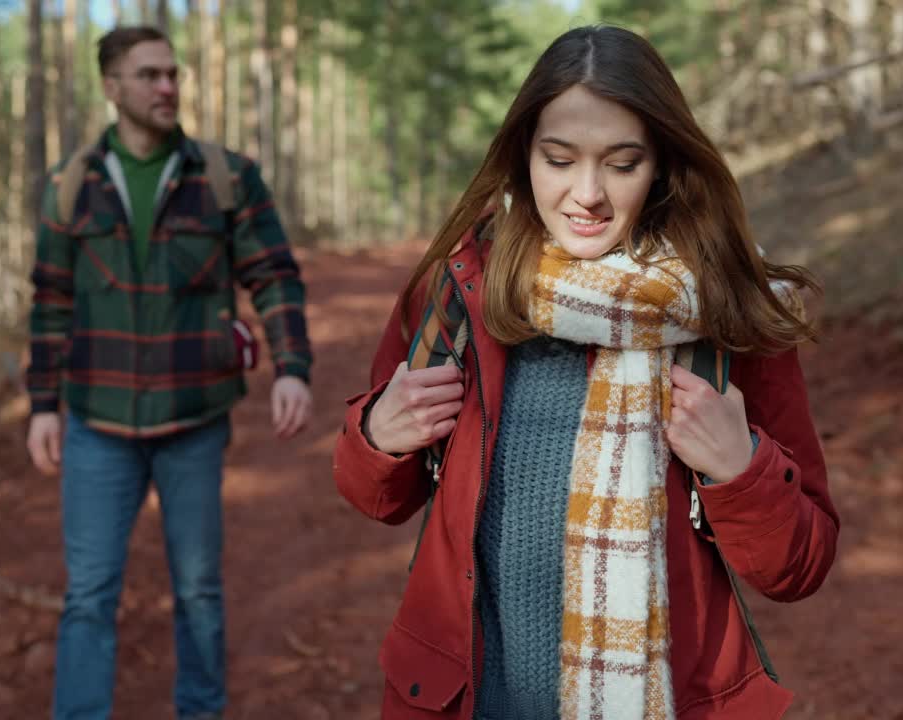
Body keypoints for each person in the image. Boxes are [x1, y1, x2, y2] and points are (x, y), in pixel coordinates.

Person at [332, 25, 838, 720]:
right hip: (471, 700)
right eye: (559, 158)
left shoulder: (726, 311)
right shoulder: (462, 284)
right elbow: (375, 498)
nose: (588, 193)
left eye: (622, 163)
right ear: (523, 157)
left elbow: (800, 566)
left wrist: (740, 468)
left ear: (661, 163)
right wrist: (378, 437)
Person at [24, 26, 313, 720]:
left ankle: (201, 711)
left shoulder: (224, 176)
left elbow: (273, 275)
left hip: (193, 419)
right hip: (98, 424)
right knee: (89, 593)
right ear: (111, 87)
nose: (167, 87)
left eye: (173, 74)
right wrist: (41, 405)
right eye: (149, 75)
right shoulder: (69, 185)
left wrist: (292, 367)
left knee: (198, 590)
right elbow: (51, 300)